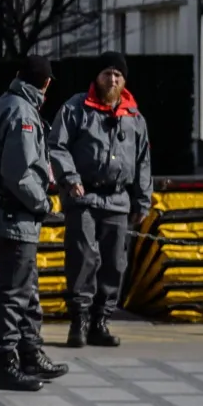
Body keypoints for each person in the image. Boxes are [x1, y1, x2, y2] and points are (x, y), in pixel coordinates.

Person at [47, 51, 152, 348]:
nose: (113, 79)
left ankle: (100, 321)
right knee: (82, 258)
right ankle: (78, 321)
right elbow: (57, 145)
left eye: (118, 75)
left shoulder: (134, 117)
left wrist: (142, 201)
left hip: (118, 200)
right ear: (97, 77)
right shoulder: (76, 108)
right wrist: (70, 178)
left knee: (115, 263)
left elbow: (143, 161)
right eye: (107, 73)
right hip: (84, 198)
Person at [0, 54, 69, 392]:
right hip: (16, 214)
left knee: (26, 289)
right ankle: (5, 363)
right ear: (45, 83)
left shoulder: (7, 103)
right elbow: (19, 174)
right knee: (14, 292)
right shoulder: (22, 112)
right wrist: (43, 202)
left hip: (11, 213)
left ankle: (29, 352)